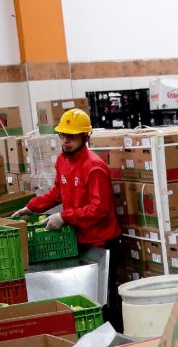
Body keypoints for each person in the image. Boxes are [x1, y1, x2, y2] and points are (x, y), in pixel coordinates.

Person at [12, 107, 122, 322]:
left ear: (86, 136)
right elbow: (57, 193)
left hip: (101, 242)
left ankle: (109, 336)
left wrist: (63, 217)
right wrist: (32, 207)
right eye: (63, 135)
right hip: (78, 239)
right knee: (84, 296)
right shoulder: (63, 161)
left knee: (102, 299)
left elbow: (99, 208)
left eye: (72, 136)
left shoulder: (94, 167)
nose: (66, 141)